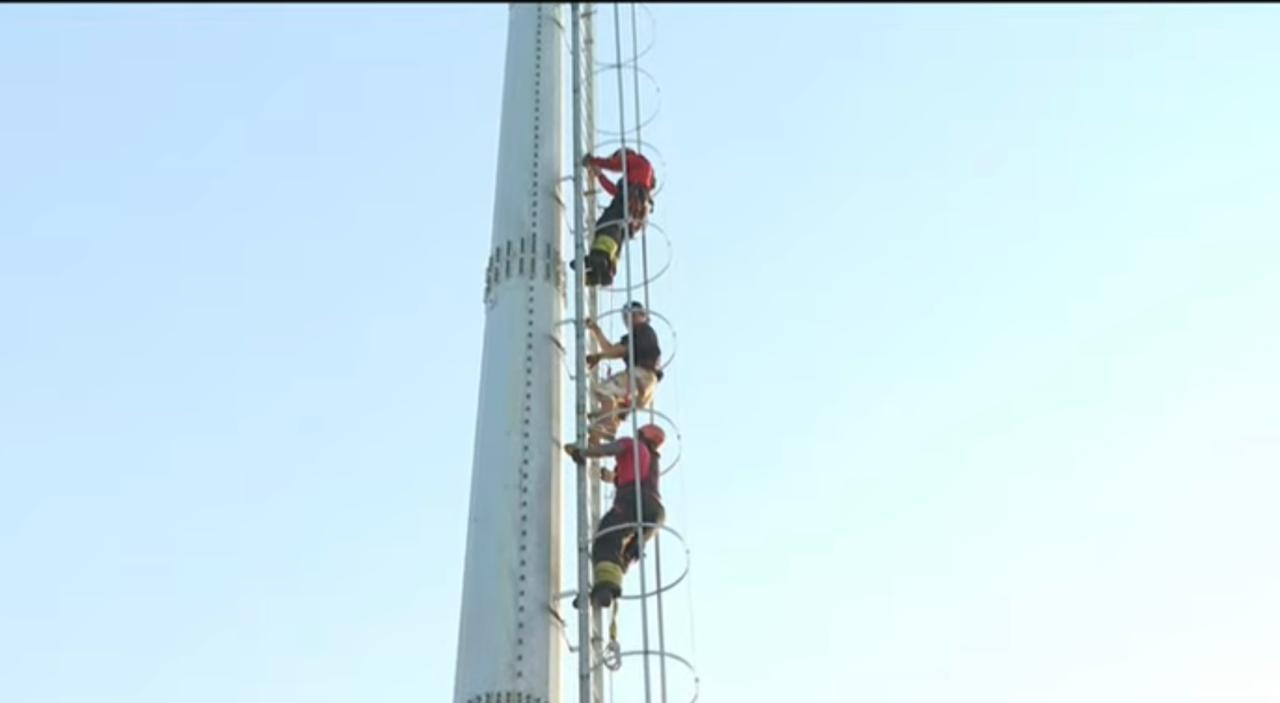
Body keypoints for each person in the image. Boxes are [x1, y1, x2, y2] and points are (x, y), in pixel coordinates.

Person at [565, 423, 667, 608]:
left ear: (640, 434)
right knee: (627, 551)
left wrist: (583, 453)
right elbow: (631, 475)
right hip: (656, 512)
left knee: (607, 536)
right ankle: (609, 588)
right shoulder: (652, 460)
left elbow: (608, 449)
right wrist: (609, 476)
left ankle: (605, 587)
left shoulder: (630, 444)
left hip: (633, 500)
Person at [571, 148, 656, 287]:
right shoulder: (638, 178)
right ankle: (604, 271)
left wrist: (592, 160)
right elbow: (614, 191)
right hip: (630, 207)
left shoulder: (639, 162)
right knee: (616, 235)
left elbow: (615, 164)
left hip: (628, 202)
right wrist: (600, 175)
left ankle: (599, 259)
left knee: (608, 226)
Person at [586, 301, 662, 445]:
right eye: (627, 318)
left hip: (641, 376)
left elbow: (622, 350)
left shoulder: (643, 331)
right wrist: (596, 330)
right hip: (646, 389)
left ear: (642, 316)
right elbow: (610, 348)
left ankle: (607, 425)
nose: (629, 320)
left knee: (605, 390)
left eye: (632, 316)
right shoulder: (639, 335)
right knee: (618, 409)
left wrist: (600, 356)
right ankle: (597, 440)